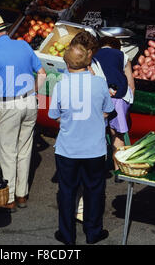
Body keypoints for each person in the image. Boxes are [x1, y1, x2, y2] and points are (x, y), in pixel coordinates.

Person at [48, 39, 114, 245]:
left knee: (67, 192)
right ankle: (93, 232)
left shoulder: (60, 85)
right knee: (95, 191)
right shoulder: (99, 83)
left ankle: (67, 235)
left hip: (68, 148)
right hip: (94, 148)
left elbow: (53, 115)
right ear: (88, 62)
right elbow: (108, 110)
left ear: (67, 65)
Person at [0, 14, 46, 212]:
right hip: (29, 101)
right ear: (5, 31)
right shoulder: (24, 45)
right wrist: (34, 92)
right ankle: (21, 194)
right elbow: (42, 73)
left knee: (8, 152)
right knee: (25, 150)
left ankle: (9, 198)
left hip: (8, 105)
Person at [94, 36, 135, 182]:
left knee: (98, 133)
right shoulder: (123, 56)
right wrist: (127, 106)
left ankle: (98, 169)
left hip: (99, 96)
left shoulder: (93, 55)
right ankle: (119, 172)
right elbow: (131, 85)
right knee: (116, 134)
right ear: (116, 47)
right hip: (119, 97)